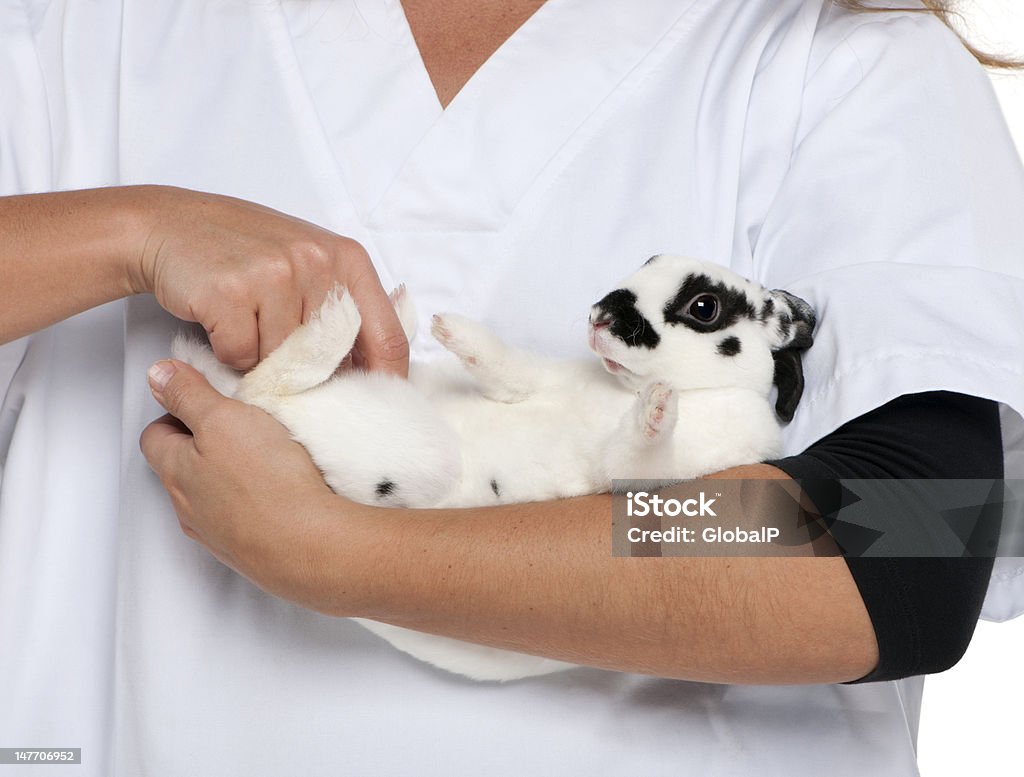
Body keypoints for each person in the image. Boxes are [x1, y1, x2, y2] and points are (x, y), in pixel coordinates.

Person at [1, 0, 1023, 775]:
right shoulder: (84, 33)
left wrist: (350, 556)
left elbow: (910, 538)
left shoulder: (833, 71)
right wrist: (125, 230)